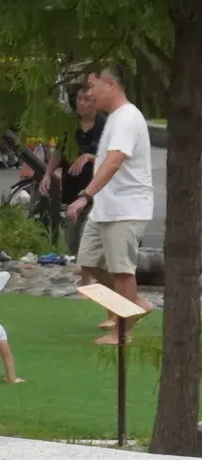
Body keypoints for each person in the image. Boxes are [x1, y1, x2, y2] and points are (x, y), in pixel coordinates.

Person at [66, 67, 154, 346]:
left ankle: (122, 332)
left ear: (110, 84)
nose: (89, 94)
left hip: (127, 209)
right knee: (89, 261)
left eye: (93, 87)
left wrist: (84, 195)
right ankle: (136, 303)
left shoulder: (128, 117)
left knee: (122, 270)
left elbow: (114, 161)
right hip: (106, 208)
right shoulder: (113, 119)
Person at [50, 82, 105, 258]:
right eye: (79, 98)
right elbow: (59, 151)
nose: (81, 103)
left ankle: (91, 279)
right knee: (72, 245)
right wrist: (47, 174)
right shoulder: (70, 125)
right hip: (71, 191)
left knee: (88, 245)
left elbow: (111, 160)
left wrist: (88, 157)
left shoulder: (105, 126)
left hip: (95, 194)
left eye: (86, 99)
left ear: (96, 102)